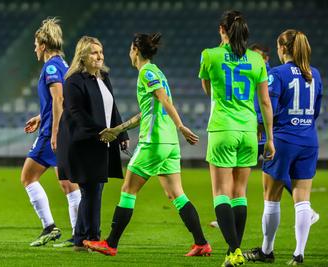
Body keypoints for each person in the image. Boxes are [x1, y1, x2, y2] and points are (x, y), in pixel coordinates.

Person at [84, 33, 212, 257]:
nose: (129, 52)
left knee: (127, 190)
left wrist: (181, 126)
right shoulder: (157, 72)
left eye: (130, 48)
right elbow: (147, 112)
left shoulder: (146, 72)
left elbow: (164, 99)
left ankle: (111, 243)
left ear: (135, 49)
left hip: (154, 141)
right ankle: (201, 243)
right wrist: (118, 129)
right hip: (169, 143)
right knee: (176, 194)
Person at [199, 10, 275, 267]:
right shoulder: (257, 60)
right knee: (239, 193)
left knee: (220, 192)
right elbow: (265, 102)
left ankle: (234, 250)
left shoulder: (210, 55)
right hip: (249, 132)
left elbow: (207, 89)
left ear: (222, 29)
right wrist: (270, 139)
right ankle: (234, 253)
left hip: (222, 129)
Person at [243, 30, 323, 266]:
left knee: (271, 198)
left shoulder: (277, 74)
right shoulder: (314, 74)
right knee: (303, 200)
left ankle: (267, 251)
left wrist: (266, 131)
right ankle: (299, 254)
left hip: (283, 140)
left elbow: (270, 108)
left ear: (282, 49)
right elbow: (316, 111)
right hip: (309, 140)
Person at [57, 36, 129, 251]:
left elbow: (112, 107)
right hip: (82, 142)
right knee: (91, 189)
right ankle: (91, 237)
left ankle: (81, 239)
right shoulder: (73, 81)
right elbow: (75, 113)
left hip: (101, 140)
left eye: (101, 52)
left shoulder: (103, 76)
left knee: (94, 189)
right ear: (82, 56)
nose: (100, 56)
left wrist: (121, 134)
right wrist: (101, 131)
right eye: (94, 53)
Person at [21, 17, 81, 247]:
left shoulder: (53, 67)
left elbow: (59, 98)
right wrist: (40, 117)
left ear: (44, 45)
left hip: (52, 134)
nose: (35, 48)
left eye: (36, 44)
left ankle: (50, 227)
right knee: (67, 183)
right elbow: (59, 101)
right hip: (58, 129)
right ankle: (79, 234)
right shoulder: (64, 65)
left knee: (28, 177)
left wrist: (54, 132)